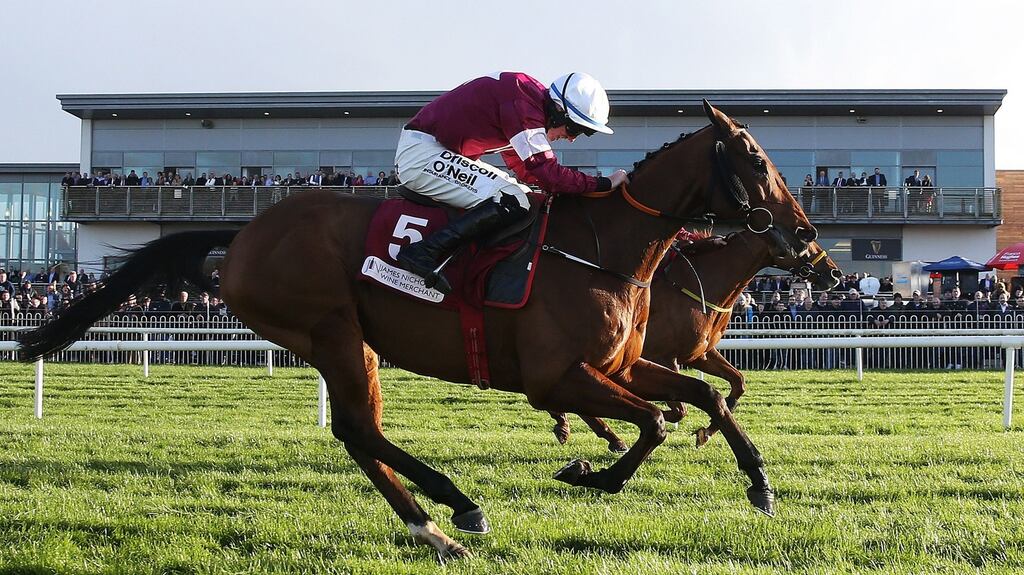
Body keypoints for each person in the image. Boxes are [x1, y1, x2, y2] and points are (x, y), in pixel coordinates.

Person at [394, 71, 627, 294]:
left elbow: (524, 168)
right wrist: (603, 184)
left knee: (525, 196)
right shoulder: (522, 102)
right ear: (558, 111)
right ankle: (423, 252)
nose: (573, 138)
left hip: (438, 151)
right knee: (514, 200)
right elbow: (548, 173)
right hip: (422, 155)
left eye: (584, 132)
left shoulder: (526, 101)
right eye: (575, 128)